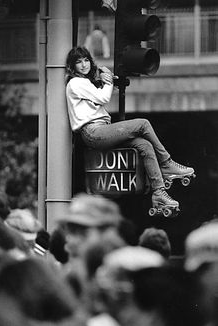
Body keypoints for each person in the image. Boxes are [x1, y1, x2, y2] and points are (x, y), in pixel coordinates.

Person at [65, 46, 195, 212]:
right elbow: (104, 97)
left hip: (101, 131)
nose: (84, 65)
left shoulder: (84, 83)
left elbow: (98, 91)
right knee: (143, 124)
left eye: (86, 60)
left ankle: (159, 193)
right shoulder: (76, 83)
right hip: (93, 132)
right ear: (72, 66)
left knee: (144, 145)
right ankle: (166, 163)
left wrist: (103, 76)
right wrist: (108, 81)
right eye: (78, 62)